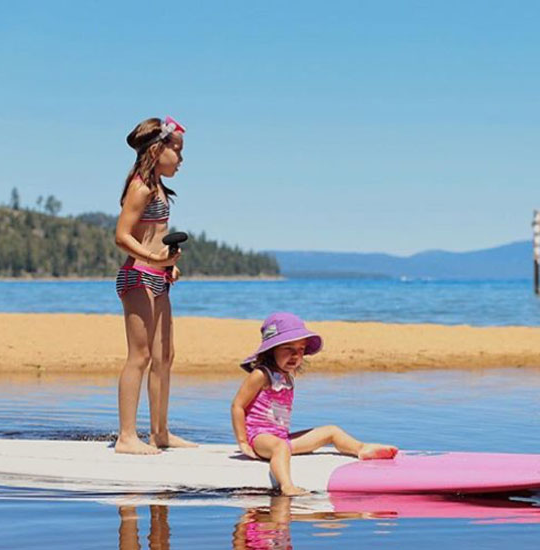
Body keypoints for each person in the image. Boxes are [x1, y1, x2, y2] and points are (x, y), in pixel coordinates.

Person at [231, 312, 398, 495]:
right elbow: (238, 406)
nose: (295, 356)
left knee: (331, 431)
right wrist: (243, 442)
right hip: (260, 438)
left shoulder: (287, 376)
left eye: (301, 350)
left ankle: (361, 449)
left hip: (282, 438)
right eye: (288, 349)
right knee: (280, 447)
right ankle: (286, 486)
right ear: (271, 350)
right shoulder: (261, 375)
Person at [113, 116, 192, 454]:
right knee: (139, 356)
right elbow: (121, 236)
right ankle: (127, 437)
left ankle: (160, 432)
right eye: (177, 150)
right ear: (158, 149)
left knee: (164, 356)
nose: (181, 159)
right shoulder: (140, 186)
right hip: (138, 277)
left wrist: (166, 266)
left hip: (158, 278)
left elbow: (153, 235)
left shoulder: (158, 186)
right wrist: (155, 259)